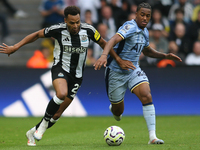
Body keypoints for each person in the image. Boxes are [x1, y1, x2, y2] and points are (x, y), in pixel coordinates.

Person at [0, 6, 134, 146]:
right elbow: (36, 35)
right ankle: (43, 125)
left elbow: (103, 43)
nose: (75, 26)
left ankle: (33, 131)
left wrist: (117, 59)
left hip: (77, 76)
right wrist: (15, 46)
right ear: (65, 21)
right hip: (60, 69)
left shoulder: (89, 30)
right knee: (61, 93)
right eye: (72, 23)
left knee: (57, 114)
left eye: (77, 22)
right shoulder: (57, 29)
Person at [94, 2, 182, 144]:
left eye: (148, 16)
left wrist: (164, 56)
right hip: (116, 72)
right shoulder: (129, 27)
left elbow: (146, 51)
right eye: (142, 14)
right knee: (118, 112)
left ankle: (152, 137)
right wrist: (104, 56)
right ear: (136, 14)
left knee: (147, 95)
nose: (145, 18)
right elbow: (112, 40)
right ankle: (114, 108)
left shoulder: (145, 32)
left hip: (134, 70)